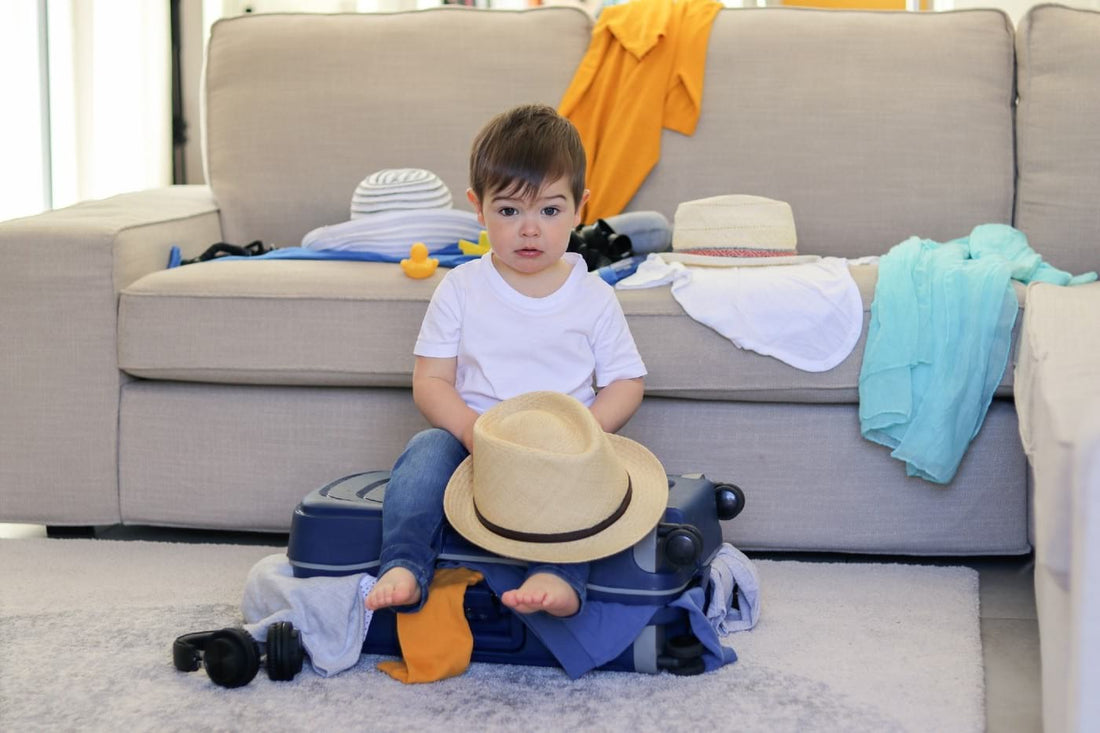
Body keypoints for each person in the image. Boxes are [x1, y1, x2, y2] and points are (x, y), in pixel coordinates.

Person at [364, 103, 647, 618]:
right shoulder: (462, 288)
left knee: (590, 491)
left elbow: (627, 380)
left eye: (550, 211)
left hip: (561, 446)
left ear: (582, 208)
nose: (530, 230)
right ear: (478, 208)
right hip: (475, 438)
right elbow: (431, 381)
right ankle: (403, 564)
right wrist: (472, 432)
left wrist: (586, 434)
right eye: (510, 211)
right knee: (424, 455)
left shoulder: (593, 296)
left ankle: (557, 575)